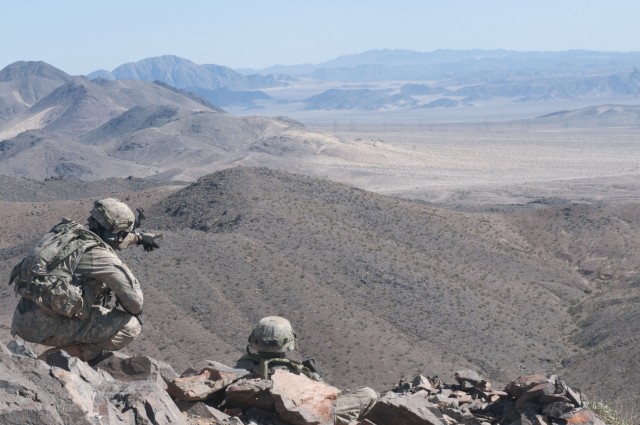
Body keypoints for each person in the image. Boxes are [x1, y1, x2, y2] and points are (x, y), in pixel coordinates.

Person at [9, 198, 161, 363]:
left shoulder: (68, 234)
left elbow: (108, 238)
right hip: (45, 327)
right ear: (115, 232)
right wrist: (137, 312)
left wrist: (139, 238)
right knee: (131, 326)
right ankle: (55, 361)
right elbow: (134, 300)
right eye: (123, 233)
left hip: (23, 319)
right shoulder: (100, 257)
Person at [236, 316, 378, 425]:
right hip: (306, 416)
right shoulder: (297, 371)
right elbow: (321, 397)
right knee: (368, 393)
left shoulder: (241, 366)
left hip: (263, 415)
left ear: (254, 340)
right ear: (290, 342)